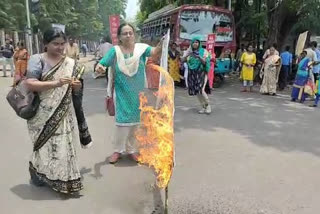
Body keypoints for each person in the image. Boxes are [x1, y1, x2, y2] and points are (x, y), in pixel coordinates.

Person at [24, 27, 92, 194]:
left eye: (63, 44)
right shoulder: (37, 59)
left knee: (63, 147)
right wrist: (56, 83)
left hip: (63, 113)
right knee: (44, 146)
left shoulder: (70, 64)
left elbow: (76, 92)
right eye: (56, 44)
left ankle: (65, 180)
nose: (60, 48)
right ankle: (38, 172)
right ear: (45, 44)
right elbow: (30, 83)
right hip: (41, 113)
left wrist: (77, 86)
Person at [96, 23, 162, 164]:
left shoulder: (141, 49)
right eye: (125, 33)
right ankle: (117, 150)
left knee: (136, 124)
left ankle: (131, 150)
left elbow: (155, 52)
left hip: (138, 94)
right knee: (121, 125)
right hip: (121, 94)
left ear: (134, 34)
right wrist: (100, 68)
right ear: (119, 37)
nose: (128, 35)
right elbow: (103, 63)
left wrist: (163, 43)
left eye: (130, 33)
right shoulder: (115, 51)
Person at [182, 37, 211, 114]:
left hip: (201, 73)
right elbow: (182, 60)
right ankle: (203, 106)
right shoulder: (189, 51)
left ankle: (208, 106)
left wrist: (199, 57)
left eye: (197, 42)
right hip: (192, 73)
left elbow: (205, 63)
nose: (195, 43)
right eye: (194, 42)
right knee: (197, 92)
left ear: (199, 43)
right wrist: (187, 54)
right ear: (192, 43)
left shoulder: (204, 51)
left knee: (201, 90)